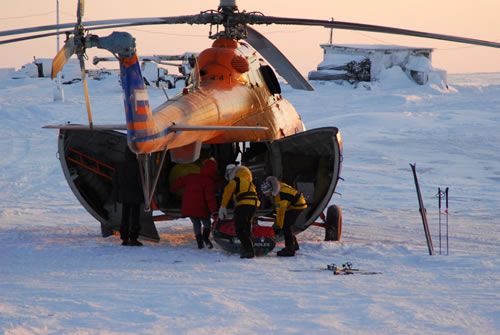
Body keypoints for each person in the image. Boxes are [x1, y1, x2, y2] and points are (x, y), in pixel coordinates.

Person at [170, 158, 219, 249]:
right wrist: (214, 211)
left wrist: (172, 189)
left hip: (189, 206)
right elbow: (210, 199)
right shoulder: (209, 182)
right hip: (202, 207)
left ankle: (199, 242)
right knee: (207, 223)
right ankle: (206, 238)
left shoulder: (191, 176)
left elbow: (179, 182)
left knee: (196, 223)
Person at [219, 165, 260, 259]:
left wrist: (223, 207)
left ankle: (249, 250)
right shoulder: (250, 183)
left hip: (243, 205)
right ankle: (247, 247)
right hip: (253, 206)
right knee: (247, 228)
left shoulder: (235, 181)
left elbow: (227, 193)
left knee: (239, 229)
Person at [260, 176, 307, 257]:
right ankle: (294, 245)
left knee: (286, 226)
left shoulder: (280, 196)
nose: (266, 195)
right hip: (295, 203)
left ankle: (290, 250)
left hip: (298, 205)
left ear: (270, 190)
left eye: (266, 193)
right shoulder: (278, 186)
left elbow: (280, 214)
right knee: (287, 224)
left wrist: (278, 227)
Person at [112, 146, 144, 246]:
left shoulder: (120, 166)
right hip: (136, 195)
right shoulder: (138, 165)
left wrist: (117, 194)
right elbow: (141, 181)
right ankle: (134, 238)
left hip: (124, 195)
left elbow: (115, 181)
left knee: (124, 216)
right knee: (135, 217)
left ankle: (124, 238)